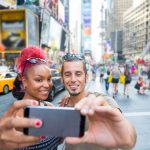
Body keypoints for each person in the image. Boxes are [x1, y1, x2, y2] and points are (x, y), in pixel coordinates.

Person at [59, 53, 136, 150]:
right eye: (67, 74)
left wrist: (127, 139)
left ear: (86, 77)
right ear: (62, 79)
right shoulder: (63, 106)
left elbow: (129, 140)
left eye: (78, 74)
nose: (73, 79)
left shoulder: (103, 101)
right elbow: (60, 139)